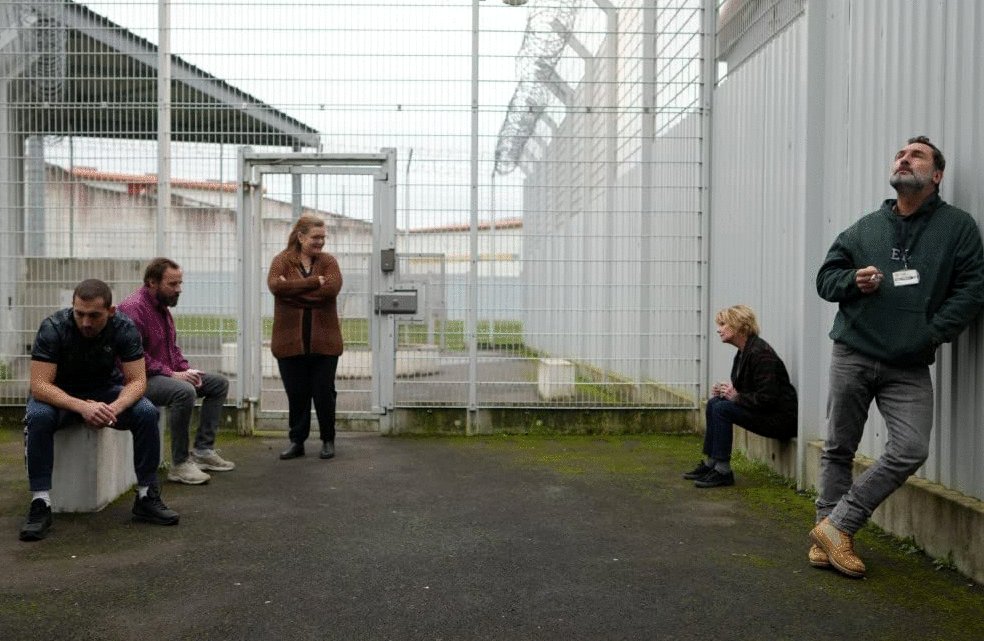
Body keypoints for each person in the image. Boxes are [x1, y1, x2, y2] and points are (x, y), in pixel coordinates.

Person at [812, 136, 984, 578]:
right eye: (900, 154)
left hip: (908, 362)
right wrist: (853, 280)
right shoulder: (865, 228)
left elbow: (972, 290)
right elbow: (826, 278)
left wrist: (929, 332)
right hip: (853, 350)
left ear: (937, 175)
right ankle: (825, 536)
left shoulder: (957, 227)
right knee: (838, 448)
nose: (905, 159)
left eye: (917, 155)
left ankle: (838, 524)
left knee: (910, 448)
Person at [20, 279, 179, 541]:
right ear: (72, 307)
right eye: (79, 314)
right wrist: (83, 407)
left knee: (147, 411)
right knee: (38, 416)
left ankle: (146, 495)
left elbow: (138, 381)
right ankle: (40, 503)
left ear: (111, 311)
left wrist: (113, 408)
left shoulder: (124, 328)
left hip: (106, 392)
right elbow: (39, 385)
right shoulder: (53, 328)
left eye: (94, 315)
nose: (85, 322)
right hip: (60, 395)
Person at [118, 258, 234, 485]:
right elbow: (134, 357)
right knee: (184, 392)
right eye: (172, 284)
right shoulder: (133, 309)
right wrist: (173, 375)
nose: (179, 289)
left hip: (161, 374)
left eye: (180, 283)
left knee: (218, 383)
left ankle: (202, 451)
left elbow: (171, 349)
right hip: (136, 380)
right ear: (152, 282)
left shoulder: (161, 308)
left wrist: (185, 369)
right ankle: (180, 464)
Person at [684, 305, 797, 488]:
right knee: (715, 403)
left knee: (721, 408)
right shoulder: (744, 352)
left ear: (739, 326)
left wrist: (736, 397)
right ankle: (712, 463)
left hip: (780, 420)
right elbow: (745, 391)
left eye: (723, 324)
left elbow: (768, 398)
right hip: (766, 413)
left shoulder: (761, 353)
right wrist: (724, 392)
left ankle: (723, 471)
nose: (718, 329)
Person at [267, 214, 344, 461]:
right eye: (315, 237)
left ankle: (327, 440)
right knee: (297, 393)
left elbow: (331, 290)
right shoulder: (281, 261)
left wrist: (292, 292)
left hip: (325, 342)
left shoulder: (329, 262)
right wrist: (312, 283)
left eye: (323, 237)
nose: (320, 242)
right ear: (301, 237)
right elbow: (275, 286)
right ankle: (296, 441)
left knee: (324, 392)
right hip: (289, 342)